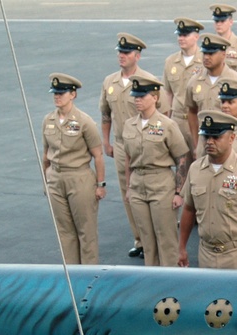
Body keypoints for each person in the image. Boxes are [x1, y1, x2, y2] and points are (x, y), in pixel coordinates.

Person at [179, 111, 237, 270]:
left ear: (231, 138)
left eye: (216, 137)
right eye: (206, 136)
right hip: (206, 253)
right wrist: (181, 247)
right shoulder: (195, 169)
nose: (209, 142)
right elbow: (188, 209)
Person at [101, 33, 165, 259]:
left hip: (145, 144)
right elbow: (105, 115)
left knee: (149, 191)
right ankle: (139, 239)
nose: (121, 56)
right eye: (119, 52)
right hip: (121, 145)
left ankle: (156, 238)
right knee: (128, 193)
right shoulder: (110, 82)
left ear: (137, 56)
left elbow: (163, 113)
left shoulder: (149, 81)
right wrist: (106, 141)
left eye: (126, 52)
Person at [122, 76, 190, 267]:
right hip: (138, 183)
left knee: (166, 237)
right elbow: (128, 159)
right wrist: (129, 187)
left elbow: (181, 158)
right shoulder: (129, 124)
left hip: (161, 182)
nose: (137, 100)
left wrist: (178, 192)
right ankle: (151, 278)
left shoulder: (167, 125)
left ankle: (170, 280)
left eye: (142, 96)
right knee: (147, 238)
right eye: (135, 96)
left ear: (155, 97)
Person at [41, 74, 106, 266]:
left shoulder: (84, 122)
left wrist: (100, 184)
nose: (57, 97)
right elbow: (46, 155)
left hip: (79, 177)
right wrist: (46, 180)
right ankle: (71, 272)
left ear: (73, 95)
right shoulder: (48, 120)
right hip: (55, 177)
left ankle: (88, 275)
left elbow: (98, 155)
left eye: (61, 93)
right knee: (64, 231)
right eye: (55, 93)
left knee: (86, 231)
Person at [184, 33, 237, 153]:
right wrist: (196, 143)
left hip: (231, 148)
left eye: (211, 53)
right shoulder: (194, 82)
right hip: (205, 146)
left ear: (223, 54)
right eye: (205, 53)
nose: (206, 57)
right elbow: (192, 112)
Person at [164, 18, 206, 150]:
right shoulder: (171, 61)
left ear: (196, 36)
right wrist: (166, 121)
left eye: (185, 35)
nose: (181, 38)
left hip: (199, 120)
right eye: (179, 35)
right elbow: (168, 94)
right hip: (177, 121)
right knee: (181, 166)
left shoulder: (206, 60)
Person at [210, 4, 237, 69]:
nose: (219, 24)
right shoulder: (209, 45)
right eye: (216, 21)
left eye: (222, 21)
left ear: (231, 22)